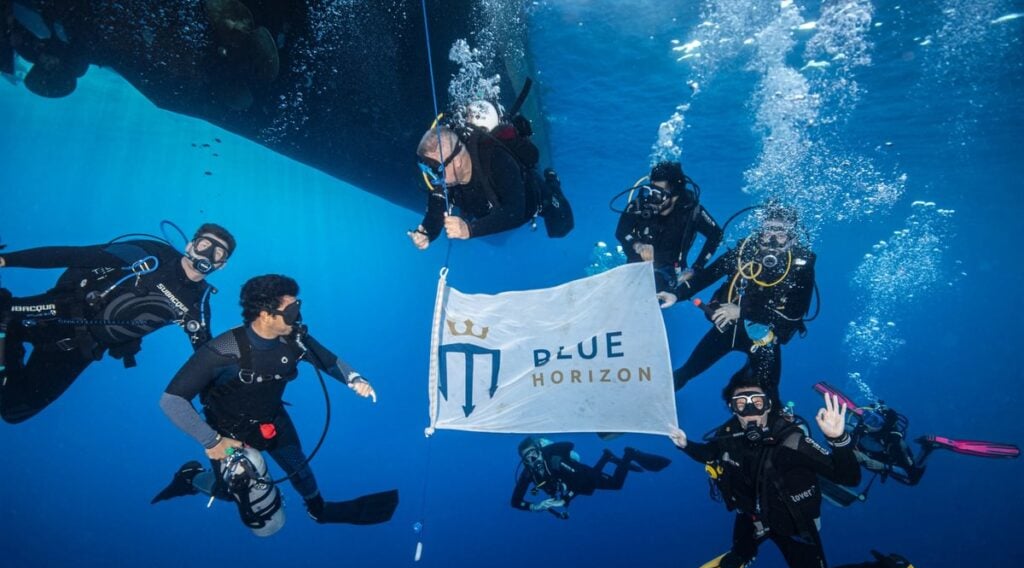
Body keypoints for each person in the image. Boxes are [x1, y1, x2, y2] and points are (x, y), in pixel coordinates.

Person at [666, 373, 981, 568]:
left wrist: (838, 439)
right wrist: (685, 445)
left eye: (757, 401)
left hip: (793, 527)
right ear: (731, 407)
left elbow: (848, 477)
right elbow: (710, 454)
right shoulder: (727, 437)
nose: (749, 409)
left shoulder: (791, 441)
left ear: (768, 405)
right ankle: (744, 552)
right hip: (754, 517)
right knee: (743, 543)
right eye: (741, 402)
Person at [152, 274, 398, 533]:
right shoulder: (223, 349)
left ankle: (318, 510)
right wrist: (212, 441)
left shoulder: (294, 339)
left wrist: (354, 378)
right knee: (234, 493)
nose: (298, 316)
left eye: (298, 307)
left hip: (273, 420)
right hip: (228, 434)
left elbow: (327, 360)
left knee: (299, 469)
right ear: (265, 315)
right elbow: (171, 401)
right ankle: (190, 478)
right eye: (291, 311)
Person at [0, 224, 235, 423]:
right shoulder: (149, 255)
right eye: (205, 244)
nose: (207, 254)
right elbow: (75, 255)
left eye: (218, 253)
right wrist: (5, 260)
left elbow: (205, 355)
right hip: (54, 313)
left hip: (78, 349)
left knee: (15, 411)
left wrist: (220, 398)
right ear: (190, 245)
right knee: (3, 314)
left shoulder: (197, 303)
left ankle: (8, 350)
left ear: (222, 265)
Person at [658, 202, 816, 403]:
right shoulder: (744, 253)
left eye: (781, 233)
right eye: (768, 232)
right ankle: (647, 405)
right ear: (760, 231)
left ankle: (776, 427)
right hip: (729, 329)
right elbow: (707, 275)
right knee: (688, 371)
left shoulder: (800, 267)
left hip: (764, 338)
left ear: (792, 237)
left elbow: (795, 315)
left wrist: (742, 311)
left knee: (769, 392)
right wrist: (676, 295)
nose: (774, 240)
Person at [812, 381, 1020, 502]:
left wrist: (872, 462)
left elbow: (906, 472)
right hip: (858, 453)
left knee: (912, 479)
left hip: (891, 462)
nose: (868, 423)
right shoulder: (861, 423)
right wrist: (821, 389)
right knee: (846, 437)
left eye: (875, 421)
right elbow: (851, 409)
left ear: (884, 425)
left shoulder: (893, 442)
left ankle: (931, 447)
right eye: (868, 418)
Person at [407, 117, 573, 249]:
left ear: (456, 161)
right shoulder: (447, 181)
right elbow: (435, 211)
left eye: (436, 170)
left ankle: (552, 182)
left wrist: (470, 230)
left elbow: (515, 212)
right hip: (496, 210)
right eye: (426, 170)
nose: (432, 178)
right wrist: (426, 232)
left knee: (561, 228)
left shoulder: (495, 159)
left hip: (535, 199)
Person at [614, 160, 722, 291]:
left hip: (670, 271)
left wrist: (696, 268)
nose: (652, 199)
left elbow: (716, 234)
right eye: (651, 190)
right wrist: (637, 245)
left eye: (659, 194)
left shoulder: (692, 212)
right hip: (638, 266)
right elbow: (621, 231)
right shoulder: (640, 205)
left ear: (675, 195)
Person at [512, 437, 671, 519]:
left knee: (615, 484)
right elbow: (515, 502)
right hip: (572, 483)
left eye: (533, 454)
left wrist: (566, 499)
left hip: (581, 474)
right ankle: (606, 457)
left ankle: (629, 454)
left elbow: (580, 481)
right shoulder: (528, 473)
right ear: (523, 461)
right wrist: (536, 506)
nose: (532, 460)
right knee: (591, 485)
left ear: (539, 450)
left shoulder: (555, 461)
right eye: (527, 458)